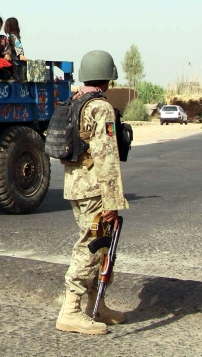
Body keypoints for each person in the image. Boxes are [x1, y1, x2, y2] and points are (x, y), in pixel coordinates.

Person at [56, 50, 128, 336]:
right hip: (95, 188)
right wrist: (112, 201)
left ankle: (96, 305)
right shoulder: (101, 108)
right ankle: (71, 309)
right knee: (93, 245)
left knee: (101, 245)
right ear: (107, 78)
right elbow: (107, 157)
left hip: (76, 186)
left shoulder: (75, 102)